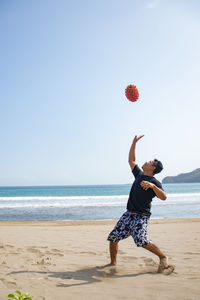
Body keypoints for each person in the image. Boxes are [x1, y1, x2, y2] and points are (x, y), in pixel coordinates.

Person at [104, 135, 174, 274]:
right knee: (113, 238)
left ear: (153, 167)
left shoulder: (155, 182)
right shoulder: (139, 175)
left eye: (149, 161)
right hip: (128, 214)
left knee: (141, 241)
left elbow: (164, 197)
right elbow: (131, 160)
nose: (146, 162)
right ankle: (113, 263)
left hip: (141, 216)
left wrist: (152, 187)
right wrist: (134, 143)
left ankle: (163, 257)